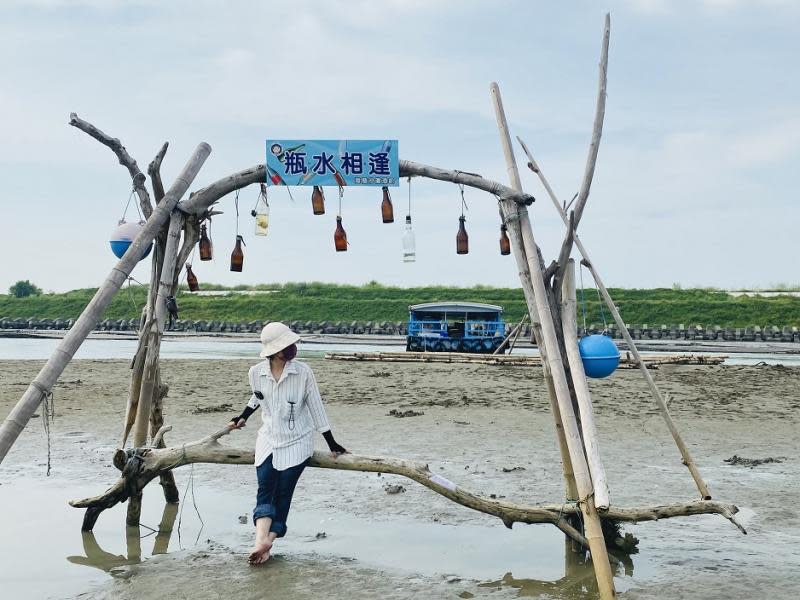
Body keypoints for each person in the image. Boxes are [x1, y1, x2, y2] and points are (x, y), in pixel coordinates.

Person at [227, 322, 348, 565]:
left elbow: (316, 408)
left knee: (283, 491)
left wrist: (332, 443)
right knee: (265, 488)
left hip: (298, 440)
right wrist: (242, 417)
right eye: (287, 345)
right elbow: (258, 396)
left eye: (292, 343)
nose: (294, 347)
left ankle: (269, 539)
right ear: (275, 351)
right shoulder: (256, 373)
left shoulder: (303, 372)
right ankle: (260, 541)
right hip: (269, 438)